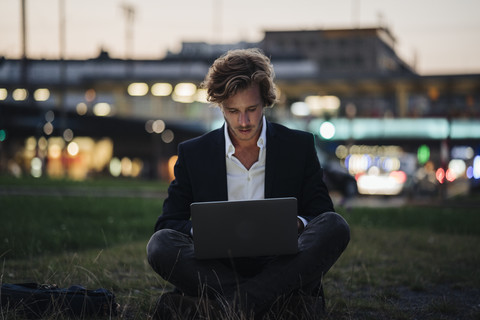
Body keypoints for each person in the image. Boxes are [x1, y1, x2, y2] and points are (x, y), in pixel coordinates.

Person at [147, 48, 350, 319]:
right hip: (216, 266)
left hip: (282, 262)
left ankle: (229, 305)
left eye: (251, 109)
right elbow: (168, 224)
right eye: (233, 111)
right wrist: (202, 229)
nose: (243, 122)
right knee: (159, 244)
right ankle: (272, 303)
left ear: (265, 102)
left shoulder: (298, 146)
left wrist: (298, 223)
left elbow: (322, 213)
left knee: (336, 227)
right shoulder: (193, 153)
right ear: (220, 106)